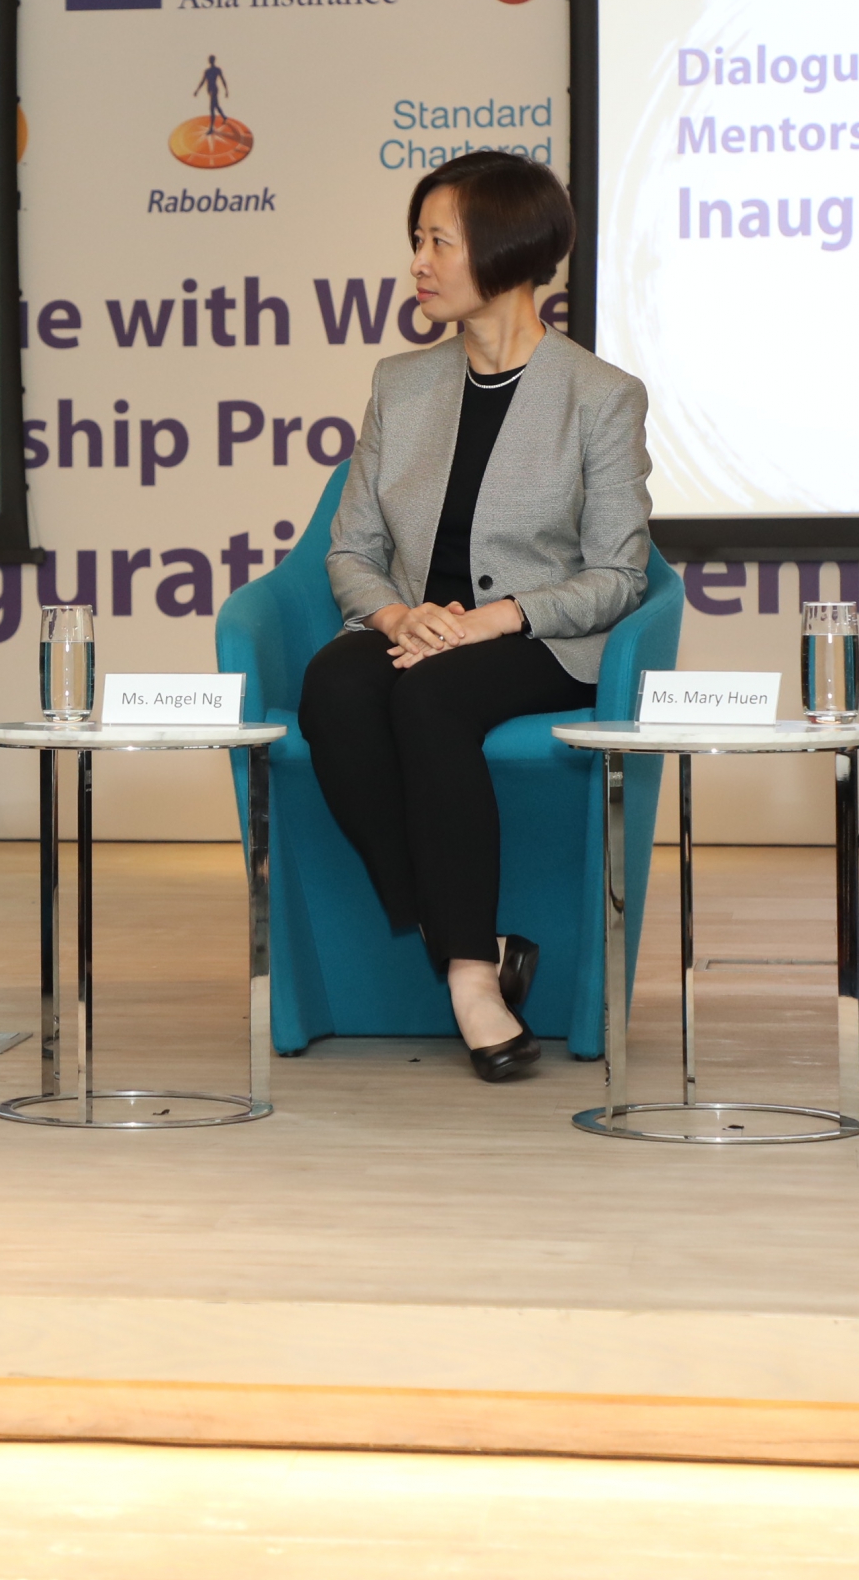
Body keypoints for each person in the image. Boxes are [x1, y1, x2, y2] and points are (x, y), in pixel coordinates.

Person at [303, 151, 653, 1082]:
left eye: (438, 241)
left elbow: (621, 574)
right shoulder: (400, 384)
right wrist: (394, 618)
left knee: (432, 701)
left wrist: (491, 618)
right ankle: (478, 941)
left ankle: (465, 976)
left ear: (504, 249)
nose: (418, 262)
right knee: (335, 688)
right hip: (420, 629)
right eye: (416, 241)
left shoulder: (601, 396)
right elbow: (350, 550)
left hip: (536, 637)